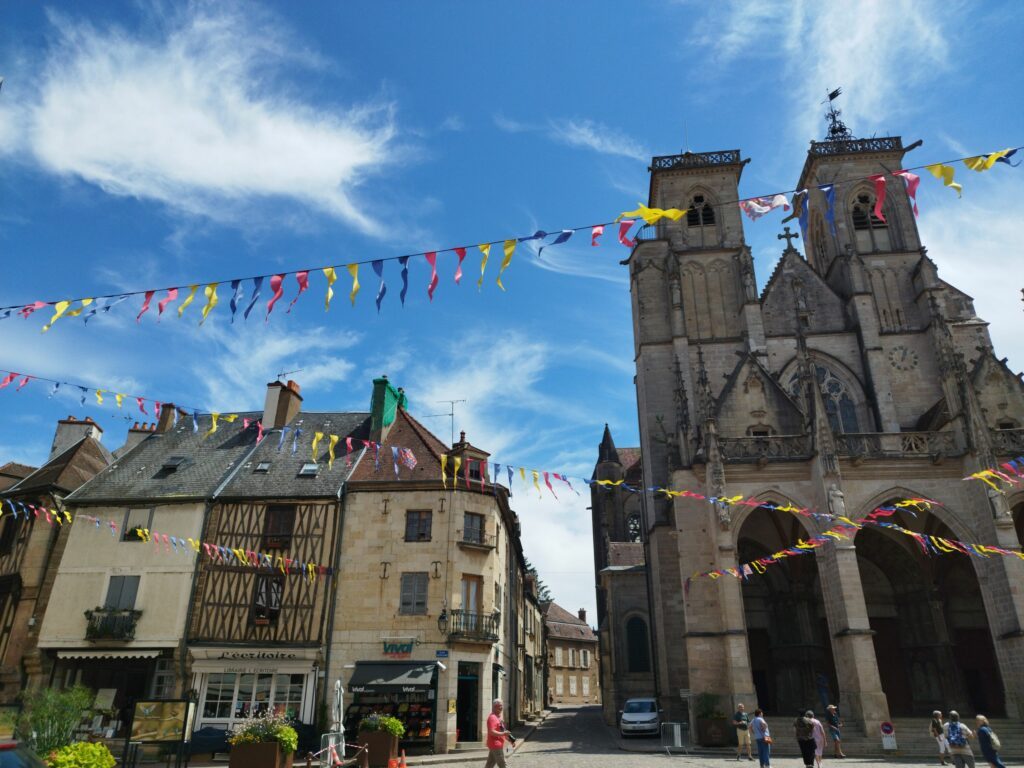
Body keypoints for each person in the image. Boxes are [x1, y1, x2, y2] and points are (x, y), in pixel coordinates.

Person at [483, 699, 516, 768]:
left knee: (489, 765)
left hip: (496, 744)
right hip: (495, 744)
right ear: (494, 707)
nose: (501, 708)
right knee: (503, 765)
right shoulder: (492, 718)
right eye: (499, 706)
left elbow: (503, 731)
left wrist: (511, 740)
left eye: (502, 706)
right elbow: (491, 732)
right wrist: (503, 733)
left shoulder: (498, 718)